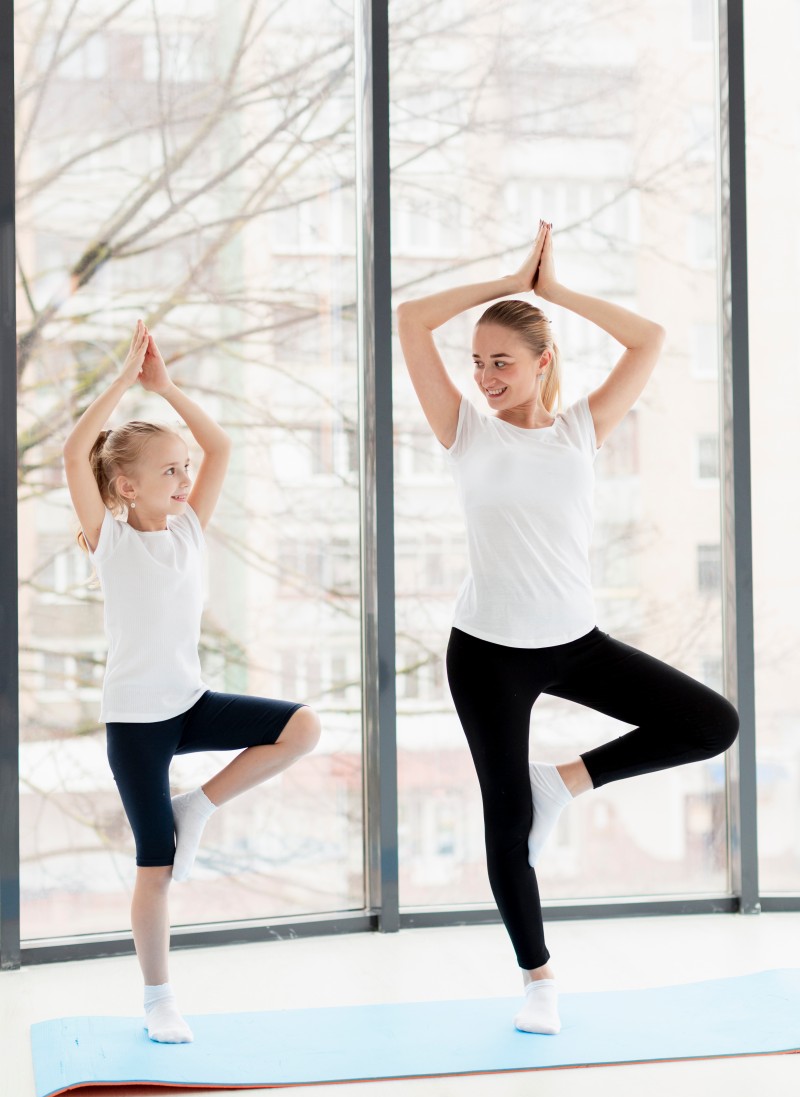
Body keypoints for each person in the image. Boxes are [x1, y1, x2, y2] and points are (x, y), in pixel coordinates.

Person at [397, 220, 740, 1036]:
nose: (485, 377)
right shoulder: (464, 430)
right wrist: (503, 282)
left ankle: (566, 781)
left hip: (576, 643)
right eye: (478, 362)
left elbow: (650, 338)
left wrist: (553, 293)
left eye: (502, 362)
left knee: (711, 724)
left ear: (543, 362)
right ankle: (538, 978)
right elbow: (411, 319)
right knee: (506, 824)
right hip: (487, 653)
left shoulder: (581, 429)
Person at [63, 320, 321, 1044]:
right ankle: (159, 1000)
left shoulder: (189, 532)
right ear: (126, 486)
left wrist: (166, 386)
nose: (185, 480)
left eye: (184, 469)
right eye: (171, 472)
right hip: (136, 724)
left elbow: (223, 447)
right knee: (157, 866)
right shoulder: (111, 540)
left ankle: (198, 805)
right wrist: (123, 381)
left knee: (303, 726)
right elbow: (72, 453)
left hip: (191, 703)